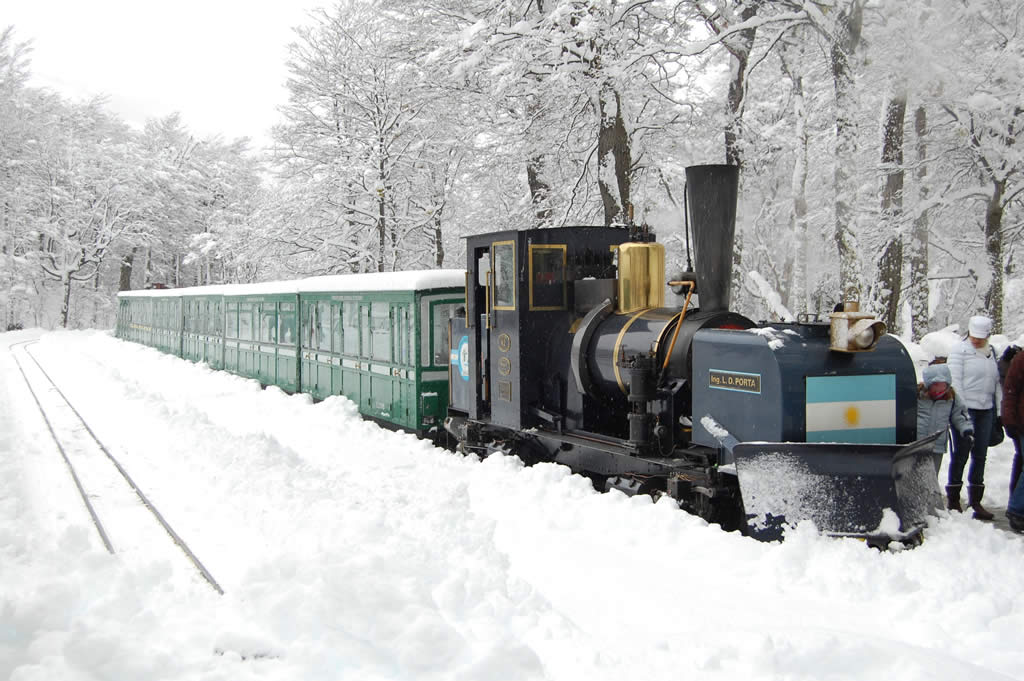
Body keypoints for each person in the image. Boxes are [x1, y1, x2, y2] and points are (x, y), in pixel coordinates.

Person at [947, 315, 1001, 519]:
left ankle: (976, 499)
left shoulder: (991, 353)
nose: (976, 340)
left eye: (980, 337)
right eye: (973, 336)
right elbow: (956, 383)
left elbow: (996, 383)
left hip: (986, 408)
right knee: (961, 452)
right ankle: (953, 497)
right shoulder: (959, 351)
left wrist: (999, 412)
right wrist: (962, 411)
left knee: (980, 454)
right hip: (965, 408)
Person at [917, 363, 973, 484]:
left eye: (943, 385)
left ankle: (929, 499)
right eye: (935, 385)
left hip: (937, 444)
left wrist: (966, 429)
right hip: (917, 443)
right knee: (916, 475)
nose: (939, 389)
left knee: (931, 476)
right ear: (928, 384)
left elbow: (959, 416)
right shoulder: (919, 395)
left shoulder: (951, 398)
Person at [999, 343, 1023, 494]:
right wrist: (1009, 420)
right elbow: (1009, 390)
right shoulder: (1019, 360)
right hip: (1019, 421)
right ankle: (1016, 505)